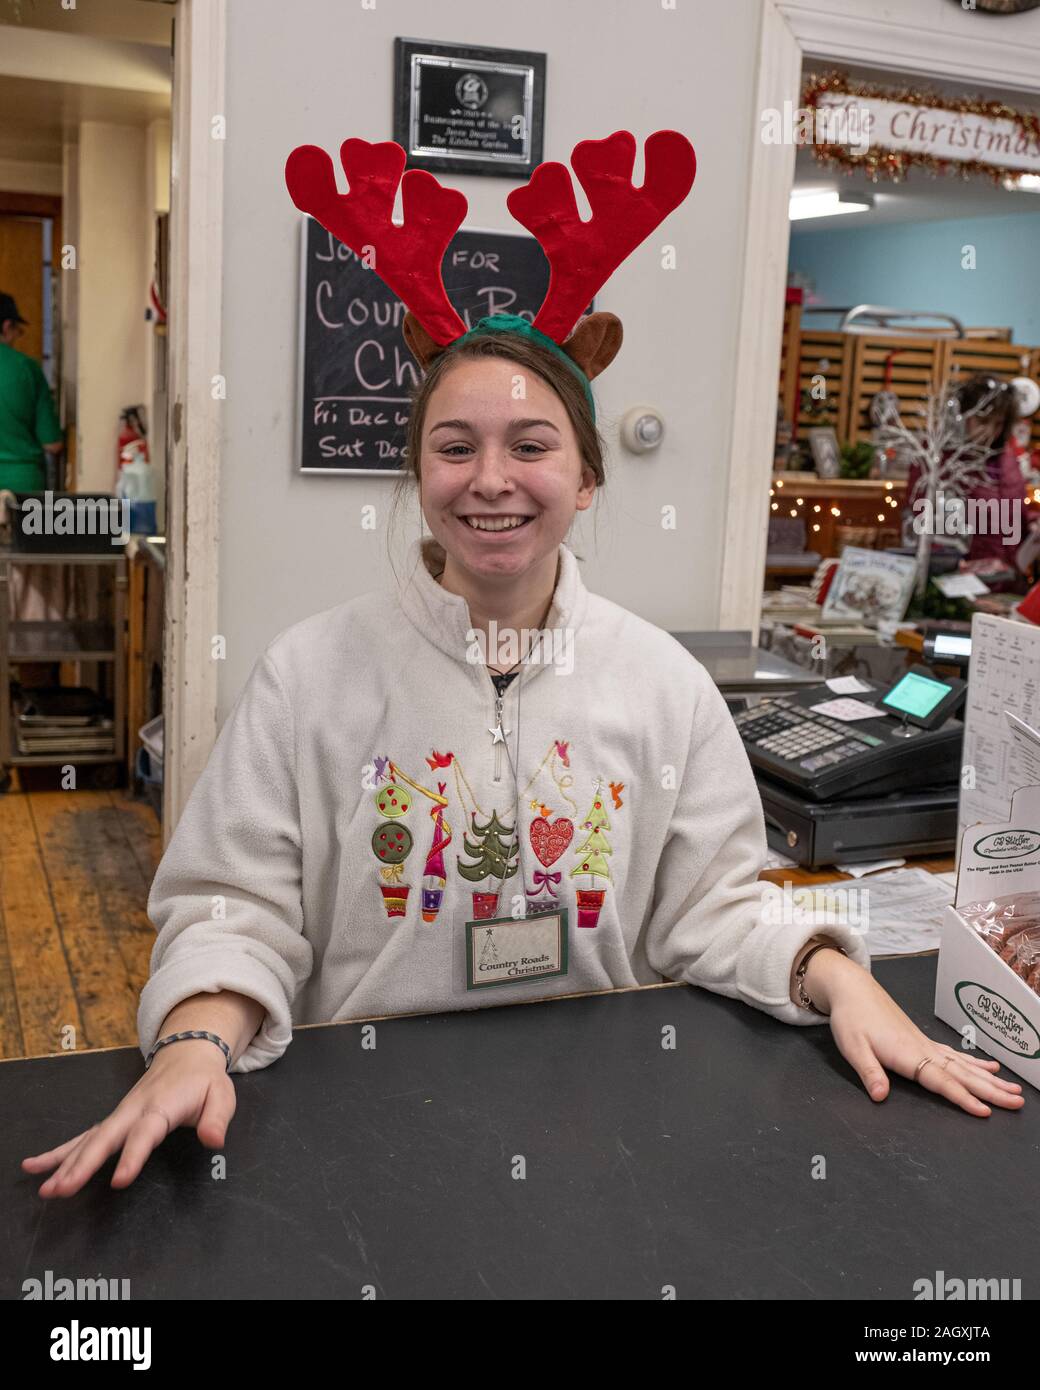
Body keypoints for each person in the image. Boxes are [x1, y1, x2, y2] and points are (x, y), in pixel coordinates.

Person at [23, 130, 1024, 1201]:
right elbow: (234, 906)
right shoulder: (305, 675)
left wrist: (837, 980)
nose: (489, 480)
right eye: (454, 446)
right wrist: (195, 1041)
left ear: (586, 477)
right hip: (353, 1127)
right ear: (415, 470)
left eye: (531, 446)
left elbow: (714, 904)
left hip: (602, 1128)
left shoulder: (661, 682)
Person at [0, 292, 64, 491]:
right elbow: (52, 444)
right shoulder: (27, 368)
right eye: (17, 331)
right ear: (6, 326)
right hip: (21, 485)